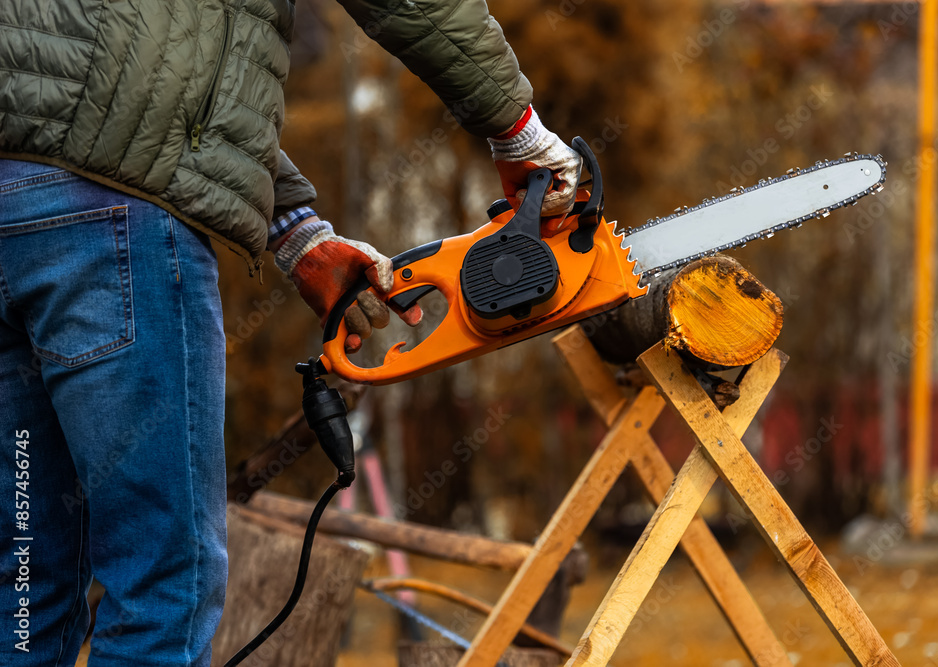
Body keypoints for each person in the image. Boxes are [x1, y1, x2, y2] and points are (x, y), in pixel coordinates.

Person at [0, 0, 581, 664]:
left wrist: (295, 230)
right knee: (164, 584)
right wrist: (518, 127)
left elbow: (125, 55)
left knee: (27, 581)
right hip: (113, 227)